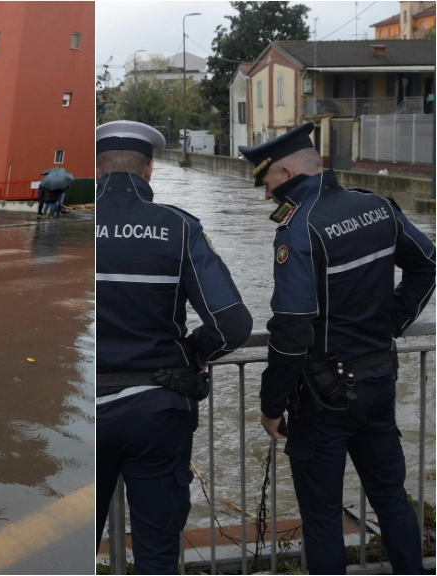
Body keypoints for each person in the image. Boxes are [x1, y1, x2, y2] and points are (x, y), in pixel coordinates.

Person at [239, 121, 434, 575]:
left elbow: (290, 329)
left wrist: (271, 404)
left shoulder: (299, 228)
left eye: (266, 181)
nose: (266, 194)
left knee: (322, 515)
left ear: (285, 171)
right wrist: (390, 324)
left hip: (323, 399)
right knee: (389, 497)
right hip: (378, 380)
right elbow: (426, 266)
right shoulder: (375, 206)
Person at [96, 120, 253, 574]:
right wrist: (191, 353)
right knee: (158, 549)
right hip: (158, 411)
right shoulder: (179, 227)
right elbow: (233, 325)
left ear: (97, 169)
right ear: (149, 170)